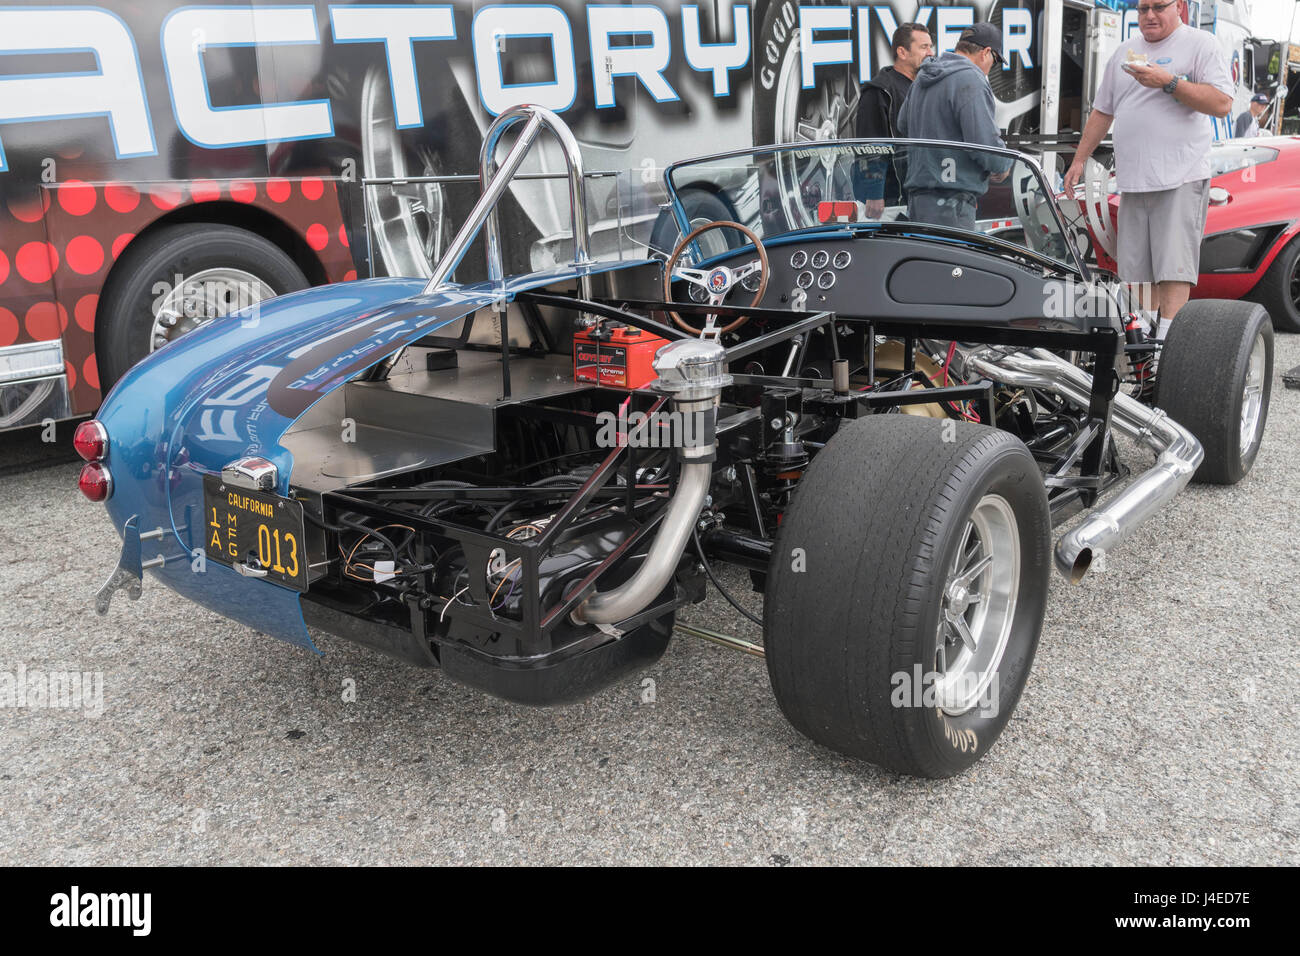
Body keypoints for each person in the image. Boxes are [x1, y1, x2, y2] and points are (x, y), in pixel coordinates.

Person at [1063, 0, 1232, 335]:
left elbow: (1222, 104)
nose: (1149, 15)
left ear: (1179, 7)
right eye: (1143, 9)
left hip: (1180, 177)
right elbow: (1102, 111)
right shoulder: (1125, 51)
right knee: (1137, 274)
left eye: (1158, 7)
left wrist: (1170, 83)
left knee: (1173, 270)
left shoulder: (1201, 44)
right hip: (1133, 180)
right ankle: (1143, 353)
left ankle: (1167, 351)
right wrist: (1079, 159)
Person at [896, 22, 1013, 232]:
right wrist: (1002, 165)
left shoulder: (924, 75)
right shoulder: (971, 79)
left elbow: (902, 123)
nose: (990, 67)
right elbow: (984, 145)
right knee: (949, 264)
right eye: (995, 60)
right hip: (952, 204)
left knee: (922, 262)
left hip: (918, 200)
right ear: (986, 53)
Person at [855, 22, 933, 217]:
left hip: (920, 193)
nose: (931, 53)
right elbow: (870, 145)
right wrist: (874, 192)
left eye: (931, 46)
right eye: (924, 47)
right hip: (891, 200)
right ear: (902, 52)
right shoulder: (879, 91)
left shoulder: (925, 86)